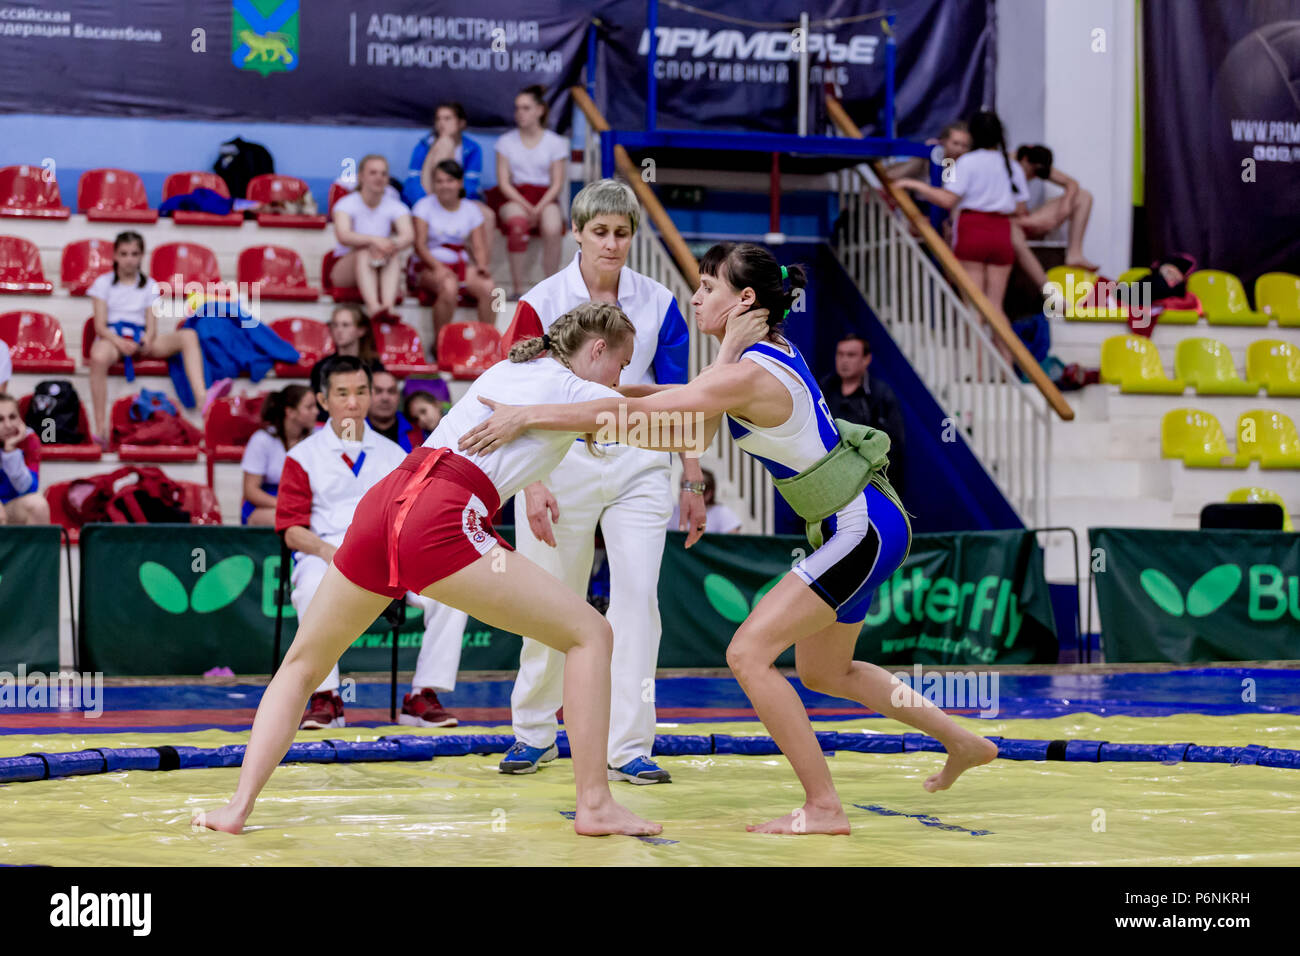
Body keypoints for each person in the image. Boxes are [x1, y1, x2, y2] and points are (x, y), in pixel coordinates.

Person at [459, 243, 997, 834]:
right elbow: (678, 413)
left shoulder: (746, 372)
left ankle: (823, 807)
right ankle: (961, 740)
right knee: (826, 673)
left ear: (744, 299)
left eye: (707, 286)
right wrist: (570, 398)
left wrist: (529, 415)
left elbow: (655, 415)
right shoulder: (752, 358)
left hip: (859, 526)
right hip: (859, 523)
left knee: (747, 653)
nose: (694, 297)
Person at [194, 304, 662, 838]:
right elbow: (638, 416)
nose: (621, 379)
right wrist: (726, 390)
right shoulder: (571, 389)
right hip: (443, 516)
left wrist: (709, 384)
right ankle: (595, 804)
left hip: (385, 503)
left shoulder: (513, 367)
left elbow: (625, 400)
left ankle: (237, 807)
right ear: (597, 350)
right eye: (621, 365)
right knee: (591, 633)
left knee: (302, 663)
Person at [497, 178, 705, 785]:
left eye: (622, 233)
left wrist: (691, 480)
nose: (612, 244)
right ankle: (534, 732)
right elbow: (512, 394)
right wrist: (530, 482)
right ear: (578, 234)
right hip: (557, 462)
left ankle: (630, 744)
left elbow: (680, 400)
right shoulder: (539, 301)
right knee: (548, 596)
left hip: (641, 462)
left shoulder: (663, 302)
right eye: (600, 232)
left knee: (638, 599)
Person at [271, 355, 460, 730]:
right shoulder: (301, 457)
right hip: (325, 553)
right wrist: (329, 552)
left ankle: (423, 695)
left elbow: (411, 513)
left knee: (453, 592)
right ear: (324, 400)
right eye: (343, 393)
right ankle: (326, 697)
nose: (354, 403)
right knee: (308, 588)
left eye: (361, 391)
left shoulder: (396, 455)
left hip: (387, 554)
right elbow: (291, 530)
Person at [894, 111, 1028, 367]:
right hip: (1001, 232)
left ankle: (978, 369)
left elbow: (947, 199)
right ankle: (1008, 364)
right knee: (995, 307)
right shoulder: (1011, 164)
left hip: (973, 230)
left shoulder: (968, 162)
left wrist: (914, 185)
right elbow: (1021, 208)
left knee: (974, 307)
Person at [87, 231, 228, 445]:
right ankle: (100, 429)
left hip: (141, 338)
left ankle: (203, 398)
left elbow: (152, 325)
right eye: (124, 254)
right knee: (97, 355)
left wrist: (146, 341)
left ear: (142, 256)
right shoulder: (103, 284)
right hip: (113, 339)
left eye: (134, 254)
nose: (129, 259)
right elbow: (100, 326)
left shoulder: (150, 285)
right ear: (114, 256)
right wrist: (119, 342)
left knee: (188, 335)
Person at [485, 85, 569, 297]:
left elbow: (557, 183)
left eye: (526, 108)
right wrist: (527, 207)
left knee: (553, 226)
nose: (520, 113)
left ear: (540, 110)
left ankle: (551, 286)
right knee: (517, 225)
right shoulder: (506, 142)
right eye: (517, 108)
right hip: (514, 195)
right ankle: (518, 288)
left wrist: (539, 208)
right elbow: (504, 183)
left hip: (545, 197)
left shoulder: (555, 142)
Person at [410, 159, 497, 333]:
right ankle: (440, 345)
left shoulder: (471, 209)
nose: (444, 186)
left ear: (459, 183)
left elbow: (479, 246)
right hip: (428, 265)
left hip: (461, 265)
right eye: (439, 181)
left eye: (449, 181)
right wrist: (438, 268)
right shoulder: (423, 206)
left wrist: (481, 266)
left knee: (490, 289)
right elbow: (419, 245)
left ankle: (487, 341)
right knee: (449, 287)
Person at [819, 335, 906, 497]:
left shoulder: (881, 395)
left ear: (866, 359)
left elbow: (892, 446)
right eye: (840, 354)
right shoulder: (824, 388)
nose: (844, 360)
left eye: (851, 355)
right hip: (828, 483)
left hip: (868, 486)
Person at [330, 155, 414, 318]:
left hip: (381, 262)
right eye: (373, 173)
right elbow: (343, 235)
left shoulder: (396, 206)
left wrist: (389, 244)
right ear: (361, 176)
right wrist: (375, 241)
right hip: (345, 268)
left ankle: (388, 307)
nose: (379, 178)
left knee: (391, 252)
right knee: (364, 251)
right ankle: (373, 307)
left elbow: (408, 235)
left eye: (383, 174)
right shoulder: (345, 204)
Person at [1012, 144, 1098, 282]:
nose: (1033, 176)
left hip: (1024, 218)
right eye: (1032, 171)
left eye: (1037, 174)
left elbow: (1071, 183)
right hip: (1010, 225)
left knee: (1083, 196)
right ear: (1025, 160)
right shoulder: (1007, 165)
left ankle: (1075, 253)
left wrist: (1065, 206)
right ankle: (1045, 287)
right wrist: (1028, 222)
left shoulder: (1034, 162)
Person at [240, 384, 317, 526]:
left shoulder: (317, 438)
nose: (316, 412)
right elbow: (250, 491)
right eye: (309, 407)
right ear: (290, 412)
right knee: (295, 522)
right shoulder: (262, 440)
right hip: (265, 505)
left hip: (303, 502)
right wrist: (285, 505)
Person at [308, 305, 382, 419]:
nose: (339, 330)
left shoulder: (374, 366)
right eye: (335, 325)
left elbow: (377, 404)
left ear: (361, 330)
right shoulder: (321, 367)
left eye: (345, 325)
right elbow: (319, 406)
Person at [0, 393, 49, 525]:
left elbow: (28, 489)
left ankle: (37, 546)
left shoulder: (30, 440)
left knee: (38, 505)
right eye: (0, 419)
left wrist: (10, 451)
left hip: (13, 507)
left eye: (12, 417)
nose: (8, 425)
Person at [668, 468, 742, 534]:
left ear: (708, 494)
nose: (683, 493)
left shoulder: (722, 514)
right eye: (682, 486)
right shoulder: (672, 513)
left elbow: (732, 546)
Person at [367, 369, 424, 452]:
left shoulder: (418, 429)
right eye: (378, 391)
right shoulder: (353, 430)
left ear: (398, 396)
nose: (385, 398)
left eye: (391, 391)